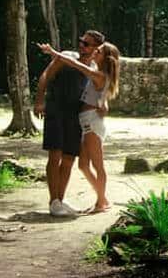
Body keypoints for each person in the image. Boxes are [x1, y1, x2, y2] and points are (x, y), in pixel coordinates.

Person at [38, 39, 121, 214]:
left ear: (103, 56)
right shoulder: (98, 71)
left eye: (97, 50)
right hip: (82, 121)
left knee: (96, 165)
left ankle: (101, 202)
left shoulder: (96, 73)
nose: (92, 51)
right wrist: (103, 103)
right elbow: (99, 94)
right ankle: (97, 199)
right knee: (82, 165)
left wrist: (53, 52)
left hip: (90, 122)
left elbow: (75, 65)